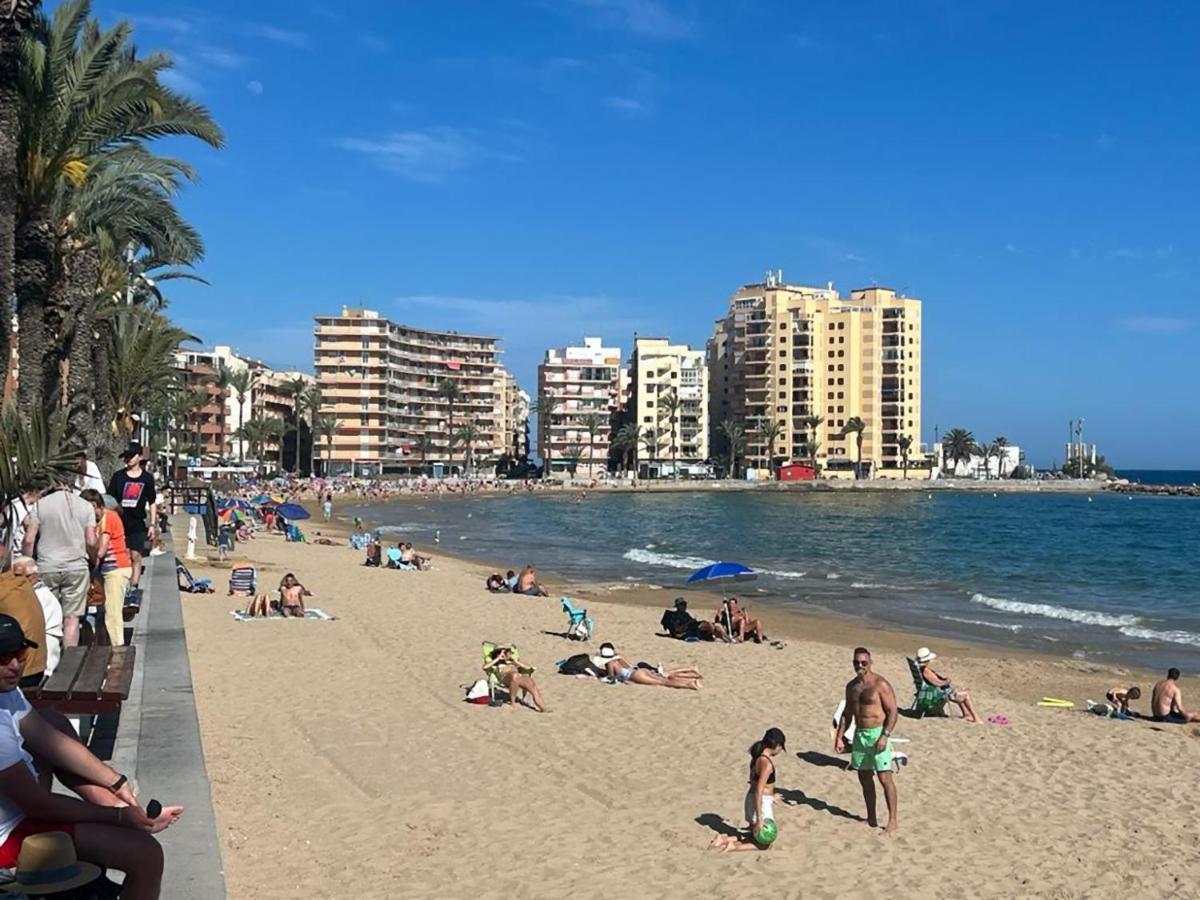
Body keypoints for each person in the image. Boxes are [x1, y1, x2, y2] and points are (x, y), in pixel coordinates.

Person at [0, 614, 183, 899]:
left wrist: (117, 783)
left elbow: (51, 742)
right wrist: (119, 818)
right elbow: (38, 805)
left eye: (20, 653)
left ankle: (132, 814)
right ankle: (133, 820)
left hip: (19, 815)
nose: (14, 665)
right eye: (2, 657)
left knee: (52, 723)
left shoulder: (5, 691)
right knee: (146, 855)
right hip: (8, 835)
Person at [21, 480, 96, 649]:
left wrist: (28, 562)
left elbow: (28, 539)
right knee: (72, 618)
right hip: (76, 566)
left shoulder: (40, 505)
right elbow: (91, 541)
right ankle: (69, 661)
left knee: (48, 616)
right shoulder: (85, 506)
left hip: (47, 566)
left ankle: (48, 660)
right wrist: (93, 559)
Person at [834, 647, 899, 833]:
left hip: (878, 733)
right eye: (856, 662)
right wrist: (839, 738)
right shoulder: (851, 687)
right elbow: (847, 714)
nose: (860, 666)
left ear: (870, 662)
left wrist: (885, 736)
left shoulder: (880, 685)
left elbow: (893, 712)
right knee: (864, 777)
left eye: (863, 662)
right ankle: (871, 817)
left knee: (884, 777)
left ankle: (892, 820)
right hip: (860, 735)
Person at [708, 727, 786, 852]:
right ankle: (732, 846)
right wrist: (760, 818)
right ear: (777, 745)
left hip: (750, 799)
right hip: (760, 803)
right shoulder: (767, 765)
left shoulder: (756, 758)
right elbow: (759, 790)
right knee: (765, 843)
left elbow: (753, 783)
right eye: (781, 747)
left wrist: (771, 797)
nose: (781, 750)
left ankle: (723, 840)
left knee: (753, 833)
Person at [80, 490, 132, 648]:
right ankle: (102, 645)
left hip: (115, 569)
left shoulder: (108, 517)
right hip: (104, 570)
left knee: (113, 612)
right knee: (102, 612)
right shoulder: (96, 520)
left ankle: (118, 647)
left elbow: (101, 549)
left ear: (95, 505)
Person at [105, 447, 156, 601]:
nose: (127, 460)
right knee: (124, 554)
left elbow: (152, 501)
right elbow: (110, 500)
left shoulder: (146, 478)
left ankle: (134, 586)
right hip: (120, 521)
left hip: (138, 522)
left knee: (136, 555)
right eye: (125, 457)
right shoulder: (118, 477)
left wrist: (153, 524)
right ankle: (124, 585)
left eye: (131, 456)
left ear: (139, 457)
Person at [594, 643, 702, 690]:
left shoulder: (609, 663)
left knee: (664, 682)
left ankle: (689, 684)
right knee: (663, 678)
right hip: (640, 670)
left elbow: (611, 677)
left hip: (634, 675)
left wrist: (601, 675)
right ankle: (691, 680)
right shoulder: (619, 658)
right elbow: (630, 665)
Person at [916, 647, 981, 724]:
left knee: (961, 689)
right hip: (940, 693)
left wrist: (944, 680)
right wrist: (947, 681)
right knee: (966, 695)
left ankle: (966, 714)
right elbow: (937, 683)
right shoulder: (926, 671)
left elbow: (935, 682)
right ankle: (976, 718)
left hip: (937, 690)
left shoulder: (923, 669)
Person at [483, 646, 548, 712]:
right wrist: (498, 658)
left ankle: (543, 707)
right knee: (514, 676)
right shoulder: (495, 664)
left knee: (531, 682)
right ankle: (513, 702)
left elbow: (528, 668)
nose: (510, 654)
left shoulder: (513, 662)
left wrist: (516, 661)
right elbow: (485, 667)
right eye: (509, 653)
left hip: (518, 677)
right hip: (506, 678)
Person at [661, 598, 726, 641]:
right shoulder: (675, 616)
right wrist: (689, 623)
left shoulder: (685, 614)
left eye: (685, 604)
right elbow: (677, 629)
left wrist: (692, 621)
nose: (685, 606)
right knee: (710, 626)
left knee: (715, 626)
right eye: (682, 604)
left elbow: (692, 622)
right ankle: (726, 638)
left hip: (692, 629)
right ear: (678, 606)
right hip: (686, 632)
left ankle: (726, 638)